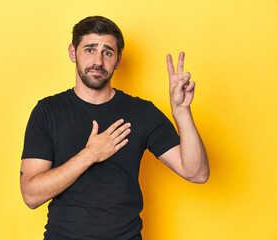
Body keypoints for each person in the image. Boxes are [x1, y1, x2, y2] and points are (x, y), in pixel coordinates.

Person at [20, 16, 209, 240]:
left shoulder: (142, 112)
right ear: (73, 52)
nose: (98, 61)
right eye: (90, 49)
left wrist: (181, 111)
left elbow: (196, 173)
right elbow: (31, 195)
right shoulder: (47, 111)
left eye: (107, 52)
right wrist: (90, 154)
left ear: (118, 60)